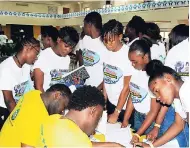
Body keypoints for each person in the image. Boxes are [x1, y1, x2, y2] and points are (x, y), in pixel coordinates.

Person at [38, 85, 124, 147]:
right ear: (93, 111)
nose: (96, 125)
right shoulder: (78, 141)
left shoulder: (53, 118)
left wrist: (113, 145)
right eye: (99, 118)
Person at [134, 60, 189, 148]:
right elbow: (178, 125)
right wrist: (151, 146)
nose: (158, 98)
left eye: (157, 91)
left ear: (168, 79)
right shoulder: (178, 99)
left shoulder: (187, 93)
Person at [0, 84, 71, 147]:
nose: (62, 112)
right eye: (64, 106)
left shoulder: (34, 93)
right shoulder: (38, 115)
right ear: (57, 95)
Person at [121, 40, 161, 144]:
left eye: (135, 61)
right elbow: (133, 95)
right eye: (131, 61)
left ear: (146, 57)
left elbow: (154, 111)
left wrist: (138, 133)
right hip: (137, 116)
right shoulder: (135, 72)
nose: (132, 65)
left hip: (150, 120)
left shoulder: (153, 77)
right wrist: (126, 119)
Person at [0, 37, 40, 129]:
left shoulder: (26, 66)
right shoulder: (6, 68)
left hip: (17, 108)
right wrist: (20, 121)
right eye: (36, 53)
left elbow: (28, 90)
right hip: (5, 111)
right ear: (27, 48)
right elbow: (9, 101)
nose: (36, 57)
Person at [101, 19, 134, 124]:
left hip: (122, 107)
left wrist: (117, 113)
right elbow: (106, 78)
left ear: (120, 37)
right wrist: (104, 101)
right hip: (110, 102)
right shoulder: (106, 52)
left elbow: (127, 87)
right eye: (105, 40)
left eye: (111, 40)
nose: (107, 44)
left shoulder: (128, 55)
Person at [33, 26, 79, 92]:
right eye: (66, 46)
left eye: (71, 48)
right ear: (59, 40)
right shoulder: (43, 56)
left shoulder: (68, 59)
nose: (68, 50)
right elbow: (38, 87)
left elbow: (66, 83)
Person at [76, 12, 107, 90]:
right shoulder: (84, 39)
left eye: (84, 25)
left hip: (99, 89)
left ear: (89, 25)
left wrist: (97, 90)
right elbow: (80, 57)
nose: (83, 28)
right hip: (85, 86)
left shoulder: (106, 43)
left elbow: (108, 73)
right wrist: (81, 79)